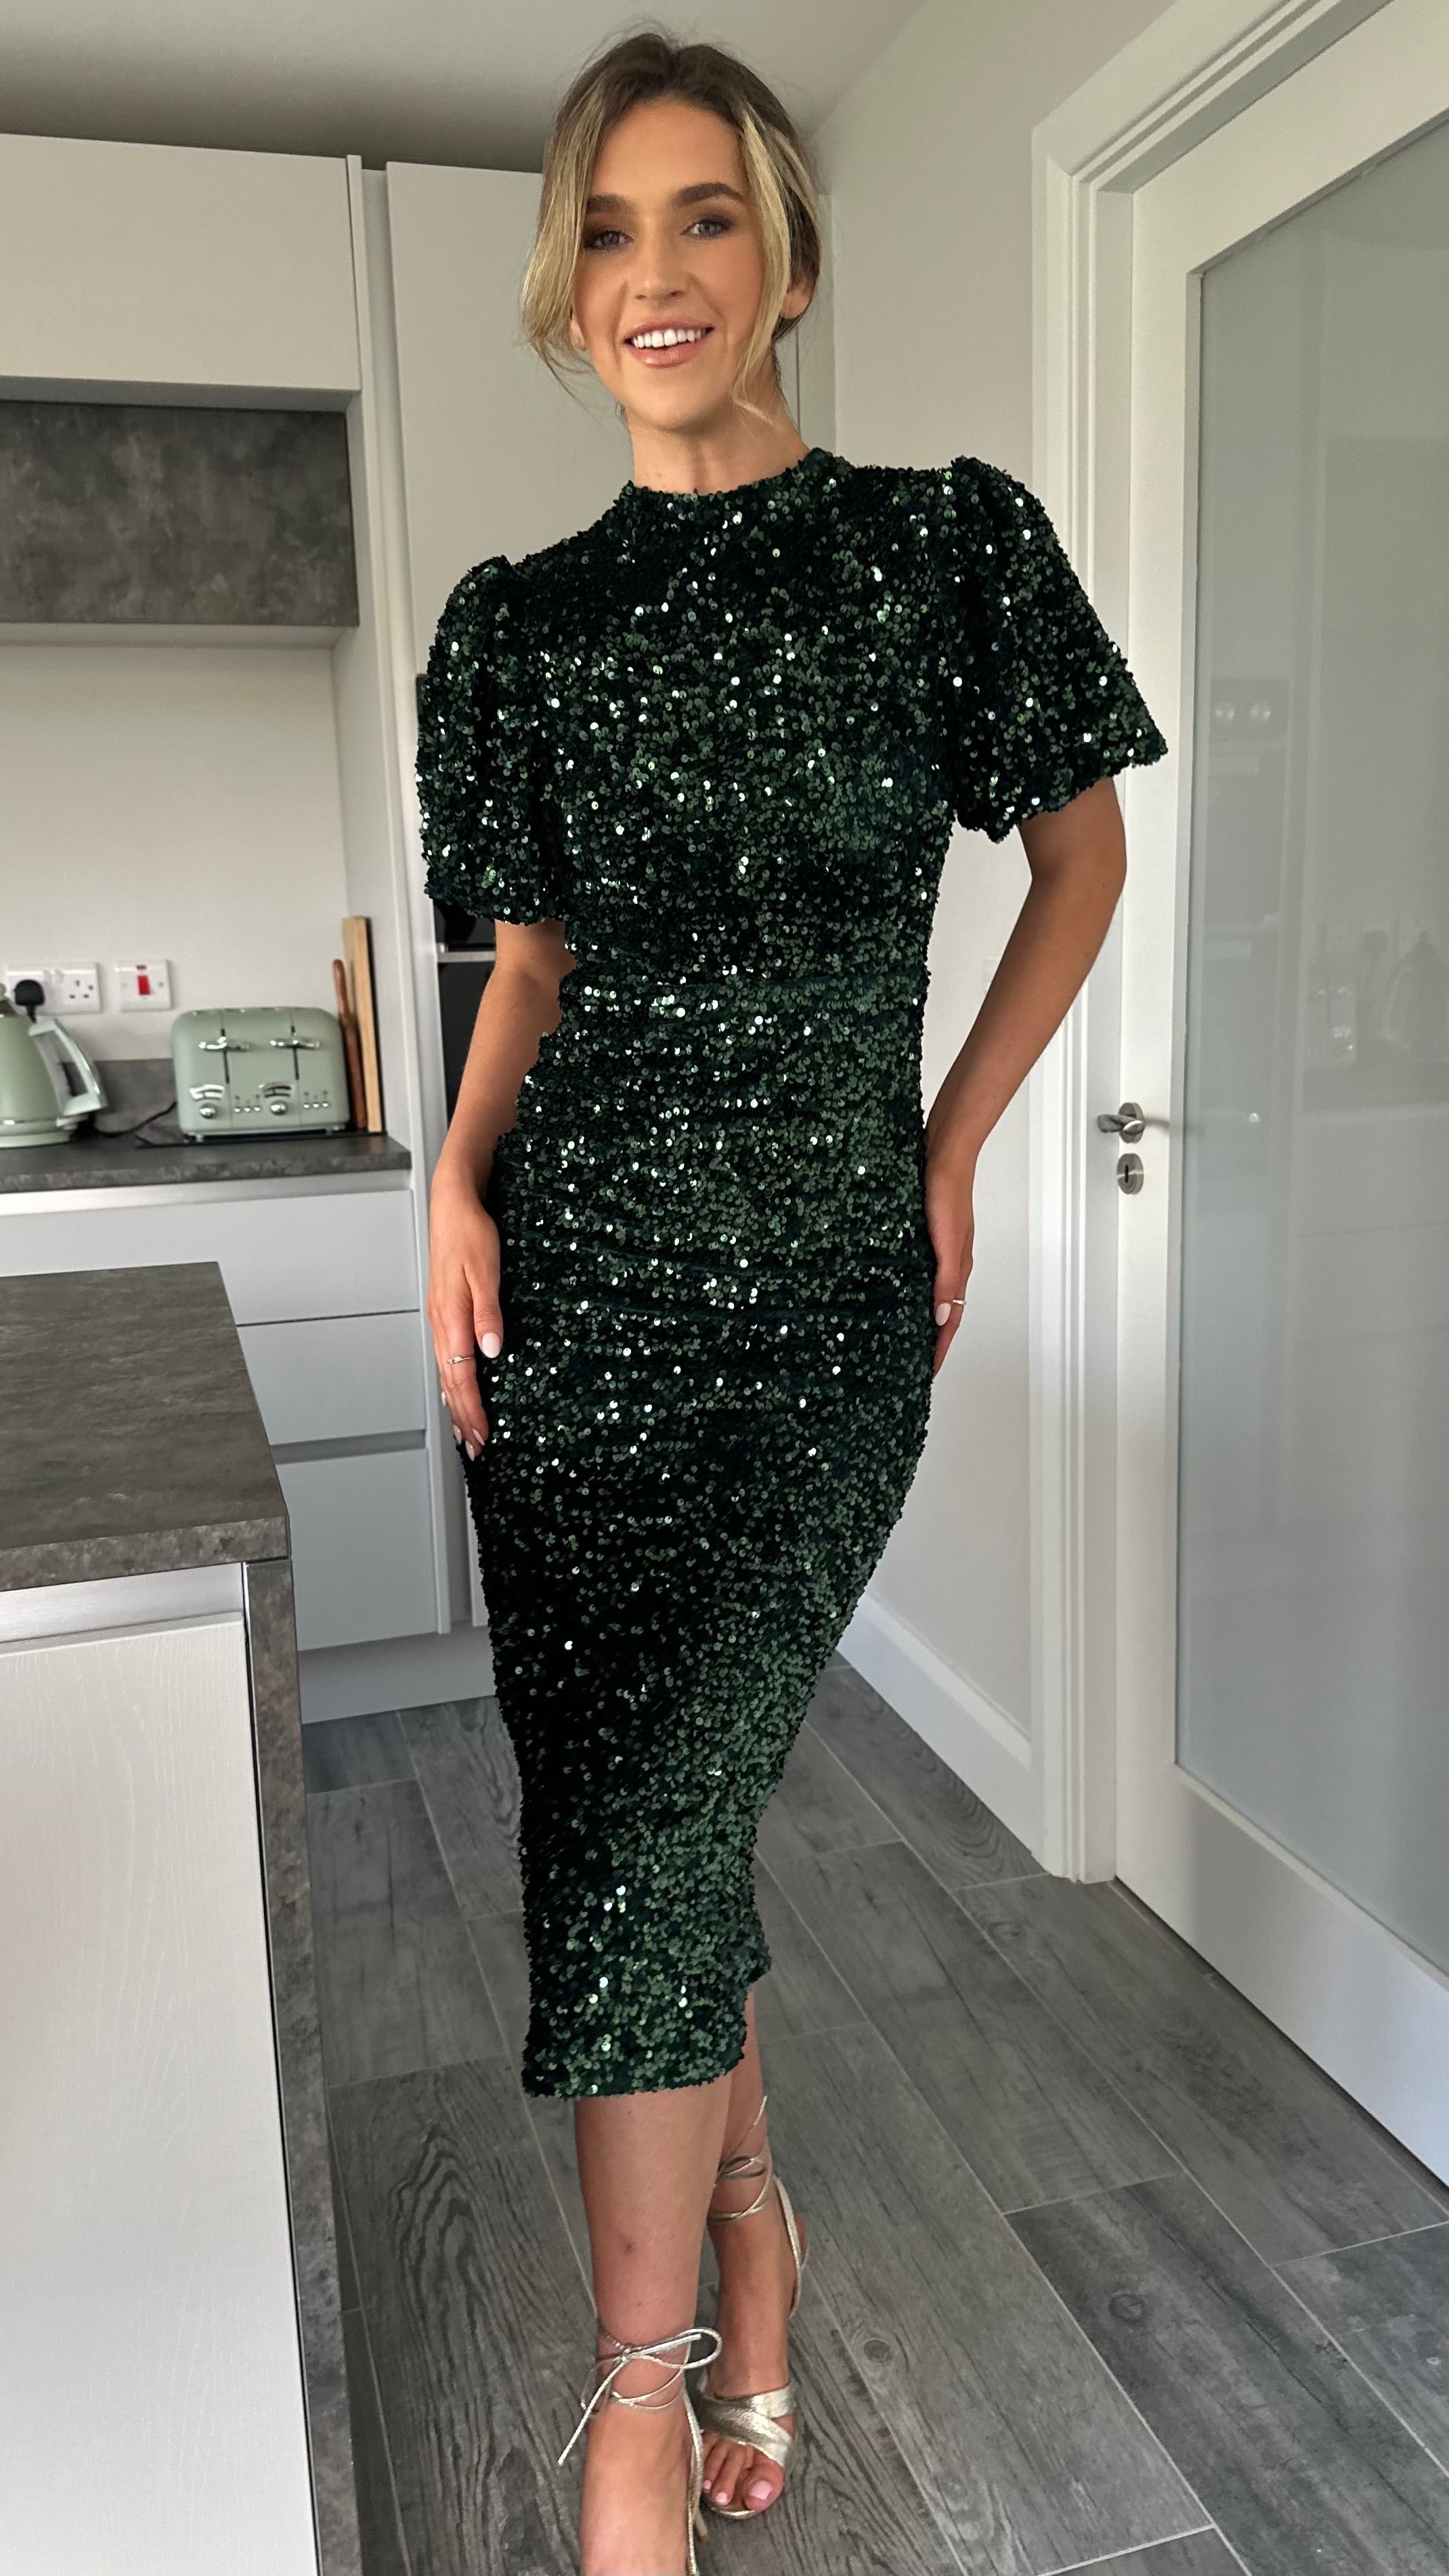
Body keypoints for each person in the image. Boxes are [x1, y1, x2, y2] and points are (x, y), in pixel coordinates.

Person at [416, 29, 1166, 2576]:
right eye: (609, 231)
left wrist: (946, 1146)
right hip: (573, 1296)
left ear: (790, 262)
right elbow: (530, 967)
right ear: (568, 291)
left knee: (649, 1821)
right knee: (645, 1810)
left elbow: (1079, 861)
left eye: (705, 215)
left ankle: (631, 2405)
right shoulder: (513, 627)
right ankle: (742, 2245)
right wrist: (454, 1181)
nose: (657, 273)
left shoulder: (943, 548)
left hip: (821, 1306)